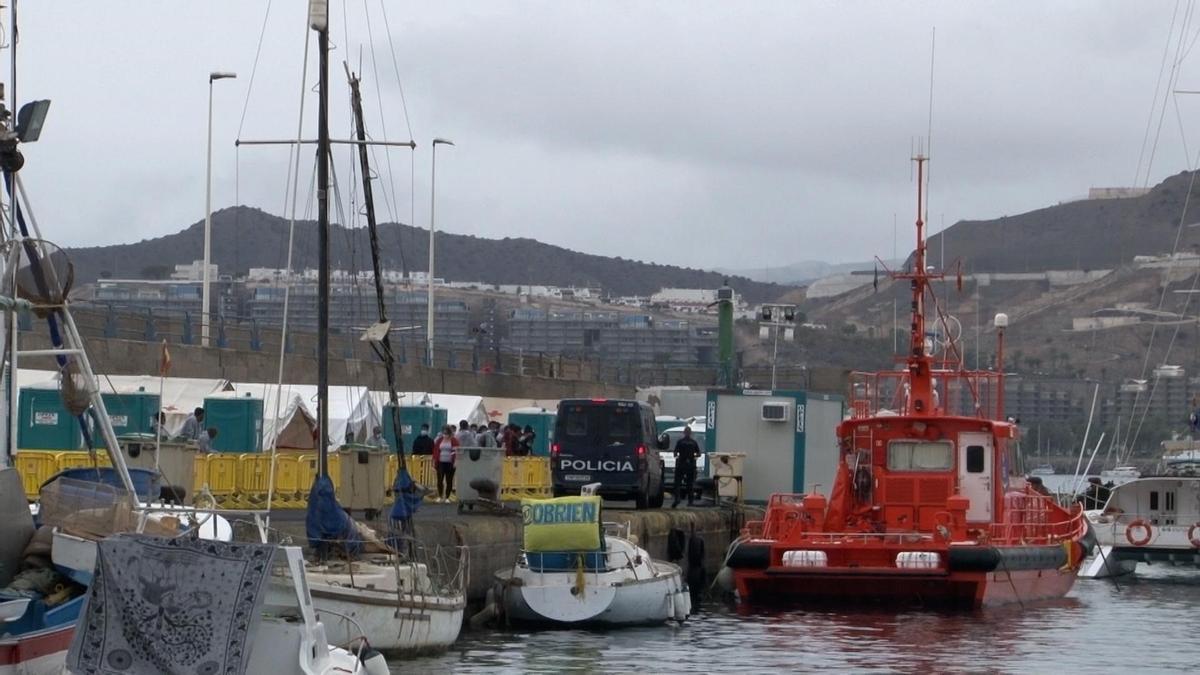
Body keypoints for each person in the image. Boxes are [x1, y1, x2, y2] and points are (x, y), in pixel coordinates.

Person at [672, 426, 701, 508]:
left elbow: (675, 453)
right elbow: (699, 453)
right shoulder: (693, 442)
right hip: (691, 465)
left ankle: (677, 498)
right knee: (690, 484)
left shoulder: (680, 442)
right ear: (690, 433)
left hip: (681, 464)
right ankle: (690, 501)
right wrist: (693, 456)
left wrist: (677, 456)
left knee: (677, 483)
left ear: (684, 433)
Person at [432, 425, 459, 503]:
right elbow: (435, 451)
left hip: (450, 463)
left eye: (446, 433)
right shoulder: (439, 440)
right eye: (444, 433)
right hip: (440, 462)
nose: (445, 435)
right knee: (440, 479)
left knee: (449, 480)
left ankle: (447, 497)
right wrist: (434, 461)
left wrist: (456, 461)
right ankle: (440, 496)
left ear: (450, 433)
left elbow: (456, 452)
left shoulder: (454, 441)